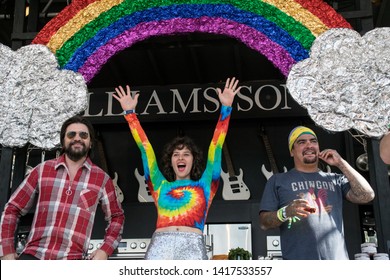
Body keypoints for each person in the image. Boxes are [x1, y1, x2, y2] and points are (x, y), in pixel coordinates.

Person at [113, 77, 240, 260]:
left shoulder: (206, 185)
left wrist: (226, 109)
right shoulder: (159, 185)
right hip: (160, 249)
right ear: (170, 161)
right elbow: (145, 148)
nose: (181, 157)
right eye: (176, 154)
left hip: (192, 249)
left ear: (193, 160)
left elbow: (216, 146)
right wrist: (130, 113)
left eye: (186, 154)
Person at [0, 116, 125, 260]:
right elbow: (12, 208)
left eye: (83, 135)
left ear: (90, 143)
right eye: (71, 134)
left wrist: (105, 250)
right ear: (63, 142)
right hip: (34, 256)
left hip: (72, 260)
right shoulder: (42, 170)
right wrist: (6, 250)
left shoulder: (102, 179)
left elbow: (117, 216)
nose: (77, 138)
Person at [259, 126, 375, 260]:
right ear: (292, 151)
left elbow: (367, 195)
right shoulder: (278, 181)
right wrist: (285, 212)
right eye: (301, 142)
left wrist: (341, 163)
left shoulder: (335, 179)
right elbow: (264, 222)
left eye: (313, 141)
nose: (309, 145)